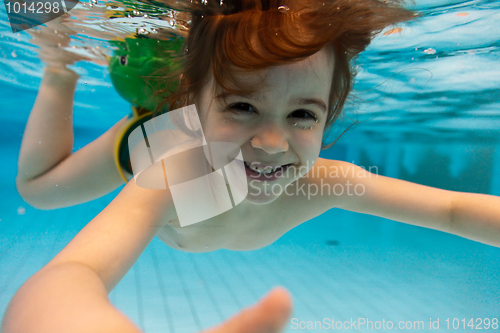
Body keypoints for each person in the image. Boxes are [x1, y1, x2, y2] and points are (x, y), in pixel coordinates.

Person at [6, 0, 500, 331]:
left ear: (327, 118)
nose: (270, 142)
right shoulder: (174, 177)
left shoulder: (324, 184)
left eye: (303, 114)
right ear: (191, 104)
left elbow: (453, 210)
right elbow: (71, 273)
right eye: (243, 106)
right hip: (163, 130)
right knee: (38, 190)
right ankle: (58, 67)